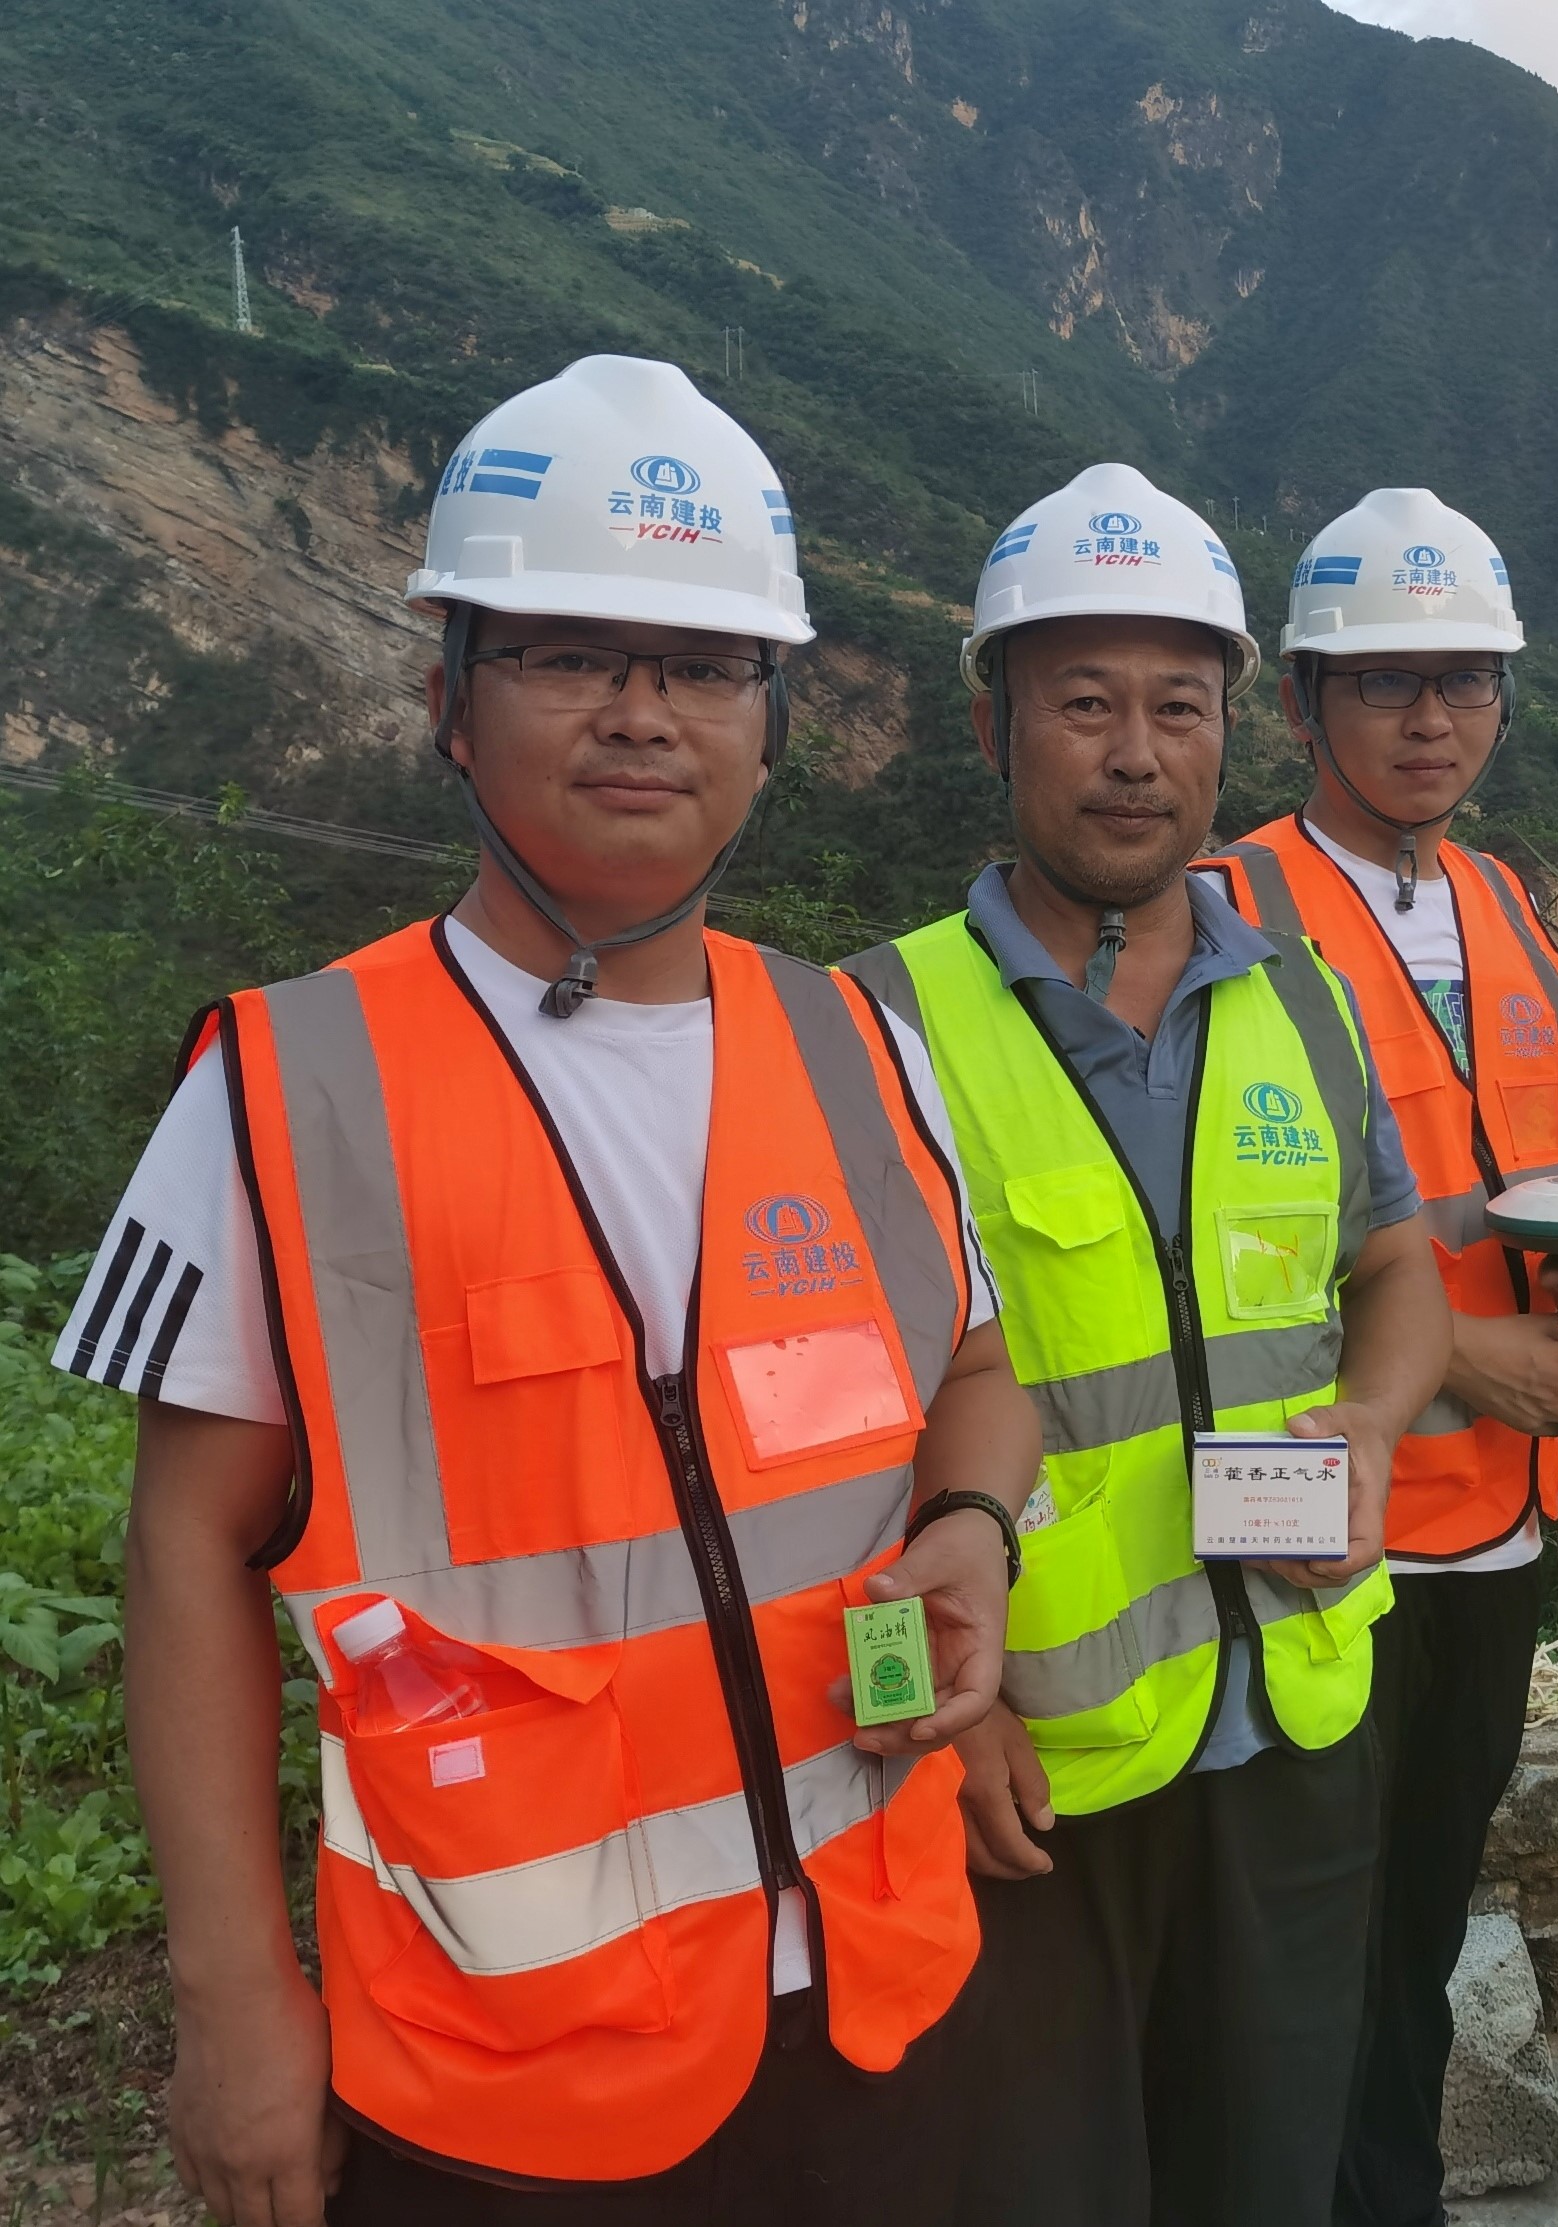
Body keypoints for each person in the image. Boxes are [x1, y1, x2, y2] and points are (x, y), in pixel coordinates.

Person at [54, 354, 1041, 2227]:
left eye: (704, 667)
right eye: (570, 655)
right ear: (448, 703)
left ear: (771, 723)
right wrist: (233, 2000)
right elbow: (187, 1549)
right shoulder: (289, 1085)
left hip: (879, 1990)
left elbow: (977, 1373)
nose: (641, 712)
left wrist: (973, 1529)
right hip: (508, 2056)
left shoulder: (857, 1048)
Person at [842, 462, 1453, 2227]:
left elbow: (1395, 1269)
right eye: (1082, 705)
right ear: (993, 727)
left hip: (1296, 1734)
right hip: (1028, 1767)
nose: (1133, 754)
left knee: (1269, 2184)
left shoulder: (1300, 1000)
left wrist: (1369, 1423)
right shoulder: (870, 1026)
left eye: (1175, 708)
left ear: (1227, 732)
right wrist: (911, 1730)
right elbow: (814, 1443)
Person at [1198, 486, 1558, 2227]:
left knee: (1410, 1930)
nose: (1428, 719)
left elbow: (1534, 1168)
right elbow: (1194, 1253)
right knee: (1293, 1953)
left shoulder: (1509, 907)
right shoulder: (1223, 910)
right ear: (1301, 699)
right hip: (1318, 1532)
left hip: (1493, 1529)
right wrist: (1461, 1357)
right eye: (1384, 681)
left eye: (1463, 680)